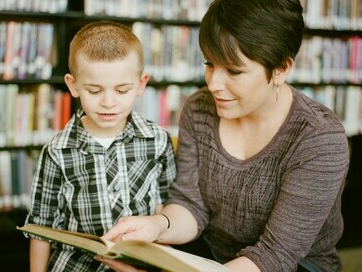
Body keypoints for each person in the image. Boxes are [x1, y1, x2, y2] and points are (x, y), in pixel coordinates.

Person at [98, 0, 350, 272]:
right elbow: (190, 205)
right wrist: (157, 226)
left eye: (233, 71)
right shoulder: (198, 109)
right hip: (208, 256)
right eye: (210, 63)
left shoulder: (319, 137)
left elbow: (275, 255)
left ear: (281, 69)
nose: (213, 83)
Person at [24, 21, 176, 272]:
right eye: (94, 91)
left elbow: (165, 206)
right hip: (76, 265)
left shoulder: (158, 140)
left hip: (139, 264)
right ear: (73, 86)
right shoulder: (57, 150)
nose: (108, 102)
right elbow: (41, 227)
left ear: (140, 84)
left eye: (121, 90)